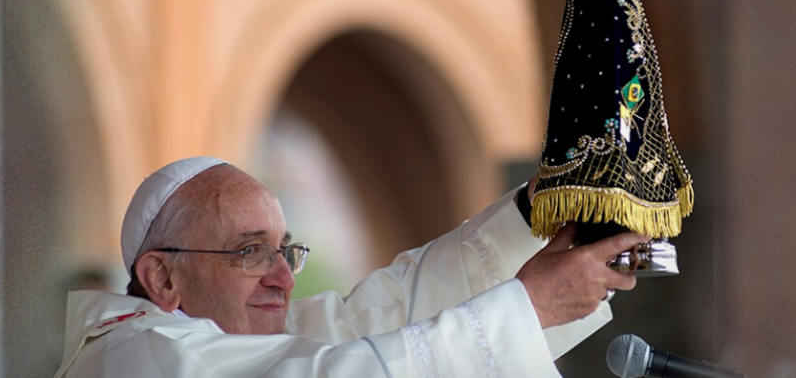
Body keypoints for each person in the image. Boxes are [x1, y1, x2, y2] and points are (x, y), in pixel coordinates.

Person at [55, 157, 646, 377]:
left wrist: (531, 214)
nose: (284, 278)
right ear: (162, 280)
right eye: (249, 251)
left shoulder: (233, 336)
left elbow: (378, 319)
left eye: (284, 250)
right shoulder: (134, 359)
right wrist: (527, 306)